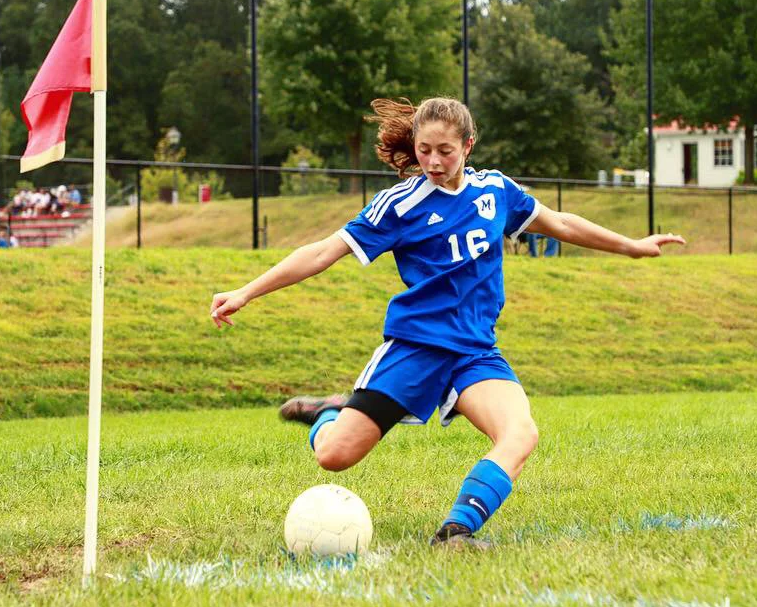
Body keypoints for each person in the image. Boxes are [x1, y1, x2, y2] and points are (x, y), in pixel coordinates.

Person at [208, 97, 685, 549]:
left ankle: (456, 532)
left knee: (521, 433)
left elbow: (559, 223)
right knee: (333, 456)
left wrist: (632, 244)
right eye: (424, 150)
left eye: (445, 151)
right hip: (416, 347)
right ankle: (330, 412)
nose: (434, 161)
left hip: (475, 351)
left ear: (468, 147)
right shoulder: (399, 204)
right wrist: (247, 291)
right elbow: (321, 252)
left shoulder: (496, 191)